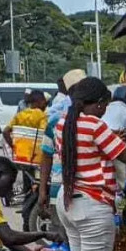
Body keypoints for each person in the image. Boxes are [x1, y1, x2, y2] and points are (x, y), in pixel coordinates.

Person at [54, 76, 126, 251]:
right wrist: (116, 139)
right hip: (91, 204)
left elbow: (85, 148)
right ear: (100, 103)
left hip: (67, 200)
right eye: (105, 105)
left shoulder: (63, 123)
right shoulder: (95, 125)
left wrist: (110, 138)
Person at [38, 69, 84, 228]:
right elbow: (46, 155)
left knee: (67, 245)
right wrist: (42, 190)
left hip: (64, 189)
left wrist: (43, 190)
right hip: (69, 190)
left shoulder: (55, 117)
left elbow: (46, 156)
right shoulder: (56, 119)